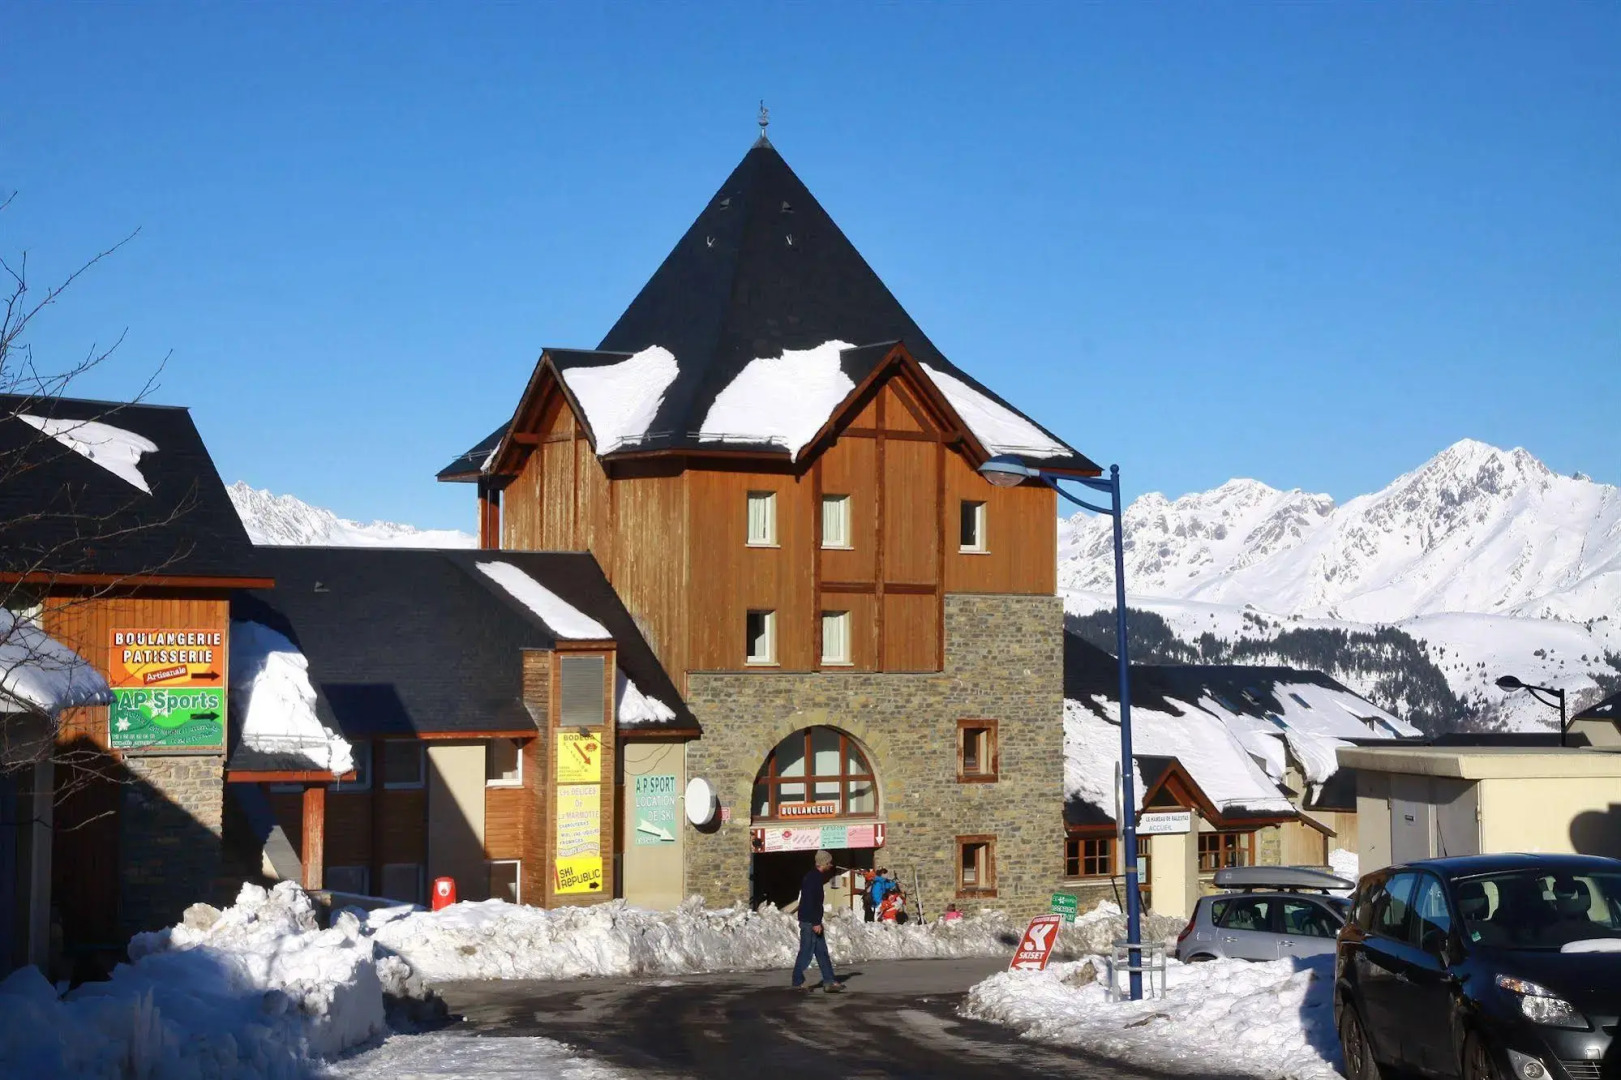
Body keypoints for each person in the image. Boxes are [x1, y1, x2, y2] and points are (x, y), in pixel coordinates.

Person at [791, 850, 844, 992]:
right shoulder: (812, 878)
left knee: (822, 952)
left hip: (813, 920)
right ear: (824, 863)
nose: (831, 865)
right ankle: (798, 981)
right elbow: (809, 901)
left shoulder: (815, 877)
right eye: (829, 863)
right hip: (809, 922)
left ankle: (829, 981)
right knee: (806, 952)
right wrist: (815, 922)